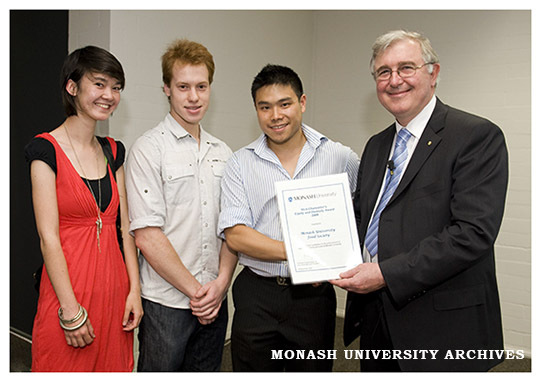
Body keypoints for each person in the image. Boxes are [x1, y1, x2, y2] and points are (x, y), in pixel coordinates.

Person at [330, 30, 509, 372]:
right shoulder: (376, 145)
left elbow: (472, 234)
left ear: (433, 73)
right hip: (378, 320)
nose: (394, 80)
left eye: (406, 68)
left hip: (443, 330)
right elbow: (361, 218)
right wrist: (319, 254)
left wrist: (385, 273)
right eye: (384, 72)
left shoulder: (475, 137)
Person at [218, 64, 359, 372]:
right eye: (264, 107)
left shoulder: (340, 157)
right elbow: (237, 235)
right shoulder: (240, 163)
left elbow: (363, 214)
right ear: (256, 109)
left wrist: (340, 255)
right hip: (257, 293)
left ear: (302, 103)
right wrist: (303, 251)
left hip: (312, 297)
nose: (275, 115)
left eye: (285, 104)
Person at [25, 46, 143, 372]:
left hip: (115, 289)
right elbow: (48, 237)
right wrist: (69, 310)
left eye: (116, 87)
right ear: (72, 87)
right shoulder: (44, 149)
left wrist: (135, 290)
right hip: (68, 291)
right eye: (100, 84)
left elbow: (125, 228)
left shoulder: (113, 151)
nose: (109, 95)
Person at [125, 39, 236, 372]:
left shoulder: (224, 153)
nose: (193, 96)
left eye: (201, 86)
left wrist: (221, 285)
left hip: (215, 298)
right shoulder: (148, 149)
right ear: (167, 89)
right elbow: (146, 234)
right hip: (166, 304)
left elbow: (232, 227)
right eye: (183, 86)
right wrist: (199, 293)